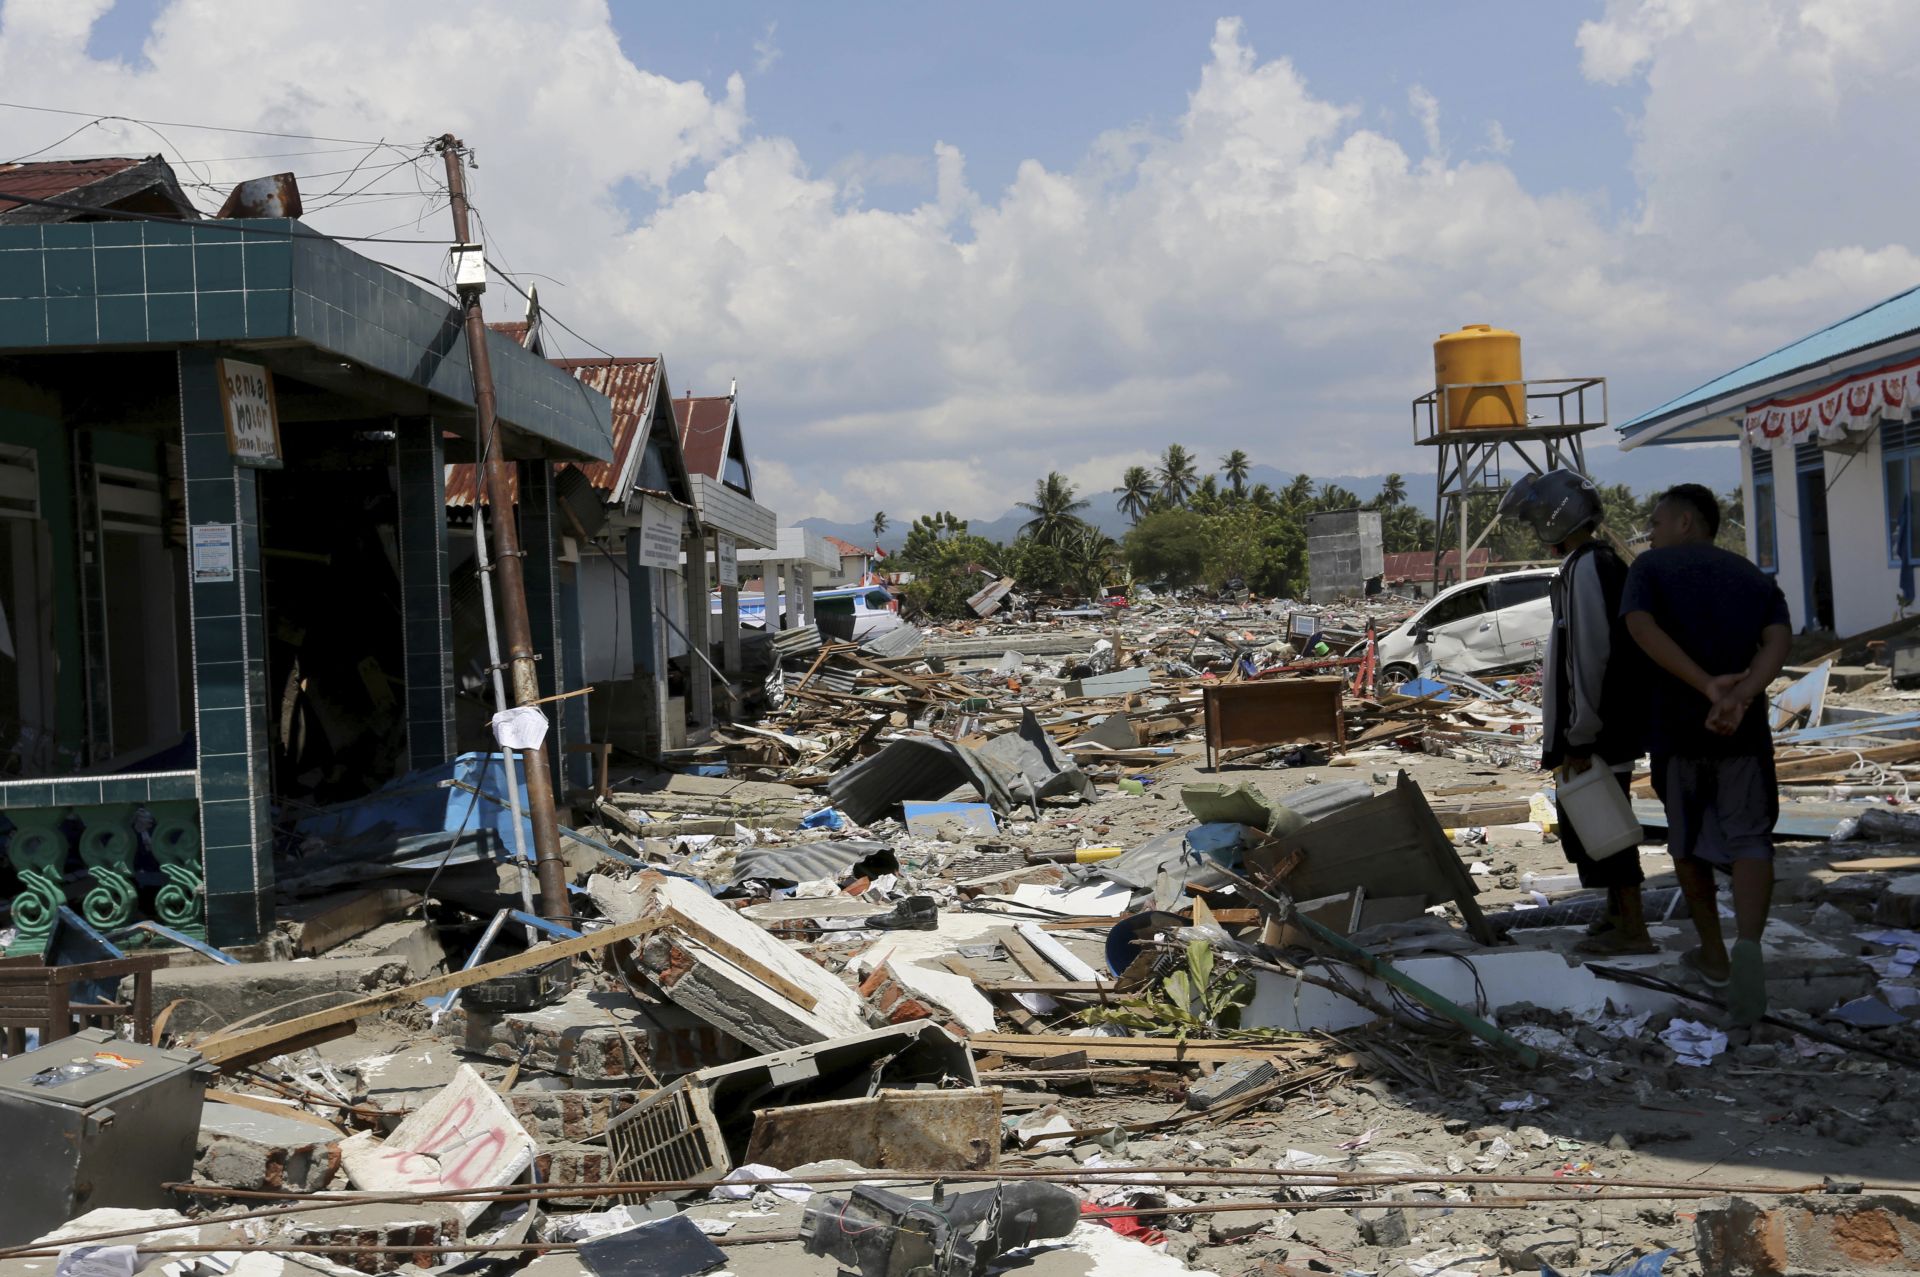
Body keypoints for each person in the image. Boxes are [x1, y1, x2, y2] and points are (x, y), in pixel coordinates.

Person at [1621, 483, 1791, 1026]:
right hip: (1742, 736)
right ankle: (1749, 949)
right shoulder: (1752, 577)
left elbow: (1640, 628)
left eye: (1657, 521)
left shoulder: (1650, 570)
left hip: (1678, 732)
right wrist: (1741, 696)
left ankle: (1714, 955)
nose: (1651, 532)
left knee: (1687, 844)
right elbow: (1779, 641)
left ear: (1687, 522)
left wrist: (1706, 688)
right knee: (1750, 839)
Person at [1499, 470, 1651, 954]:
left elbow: (1589, 654)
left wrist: (1581, 734)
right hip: (1596, 725)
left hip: (1598, 728)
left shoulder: (1588, 567)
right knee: (1592, 824)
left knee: (1608, 826)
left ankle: (1632, 926)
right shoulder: (1588, 563)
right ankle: (1614, 914)